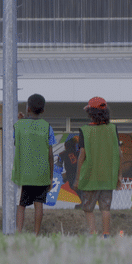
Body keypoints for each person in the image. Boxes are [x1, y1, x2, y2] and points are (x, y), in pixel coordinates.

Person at [73, 97, 122, 238]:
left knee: (88, 208)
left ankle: (93, 234)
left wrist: (77, 179)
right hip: (107, 177)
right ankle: (106, 235)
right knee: (105, 208)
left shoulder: (85, 130)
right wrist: (119, 176)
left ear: (90, 113)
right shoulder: (113, 129)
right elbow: (120, 154)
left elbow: (82, 155)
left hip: (90, 178)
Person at [12, 93, 56, 235]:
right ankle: (36, 234)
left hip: (23, 174)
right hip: (41, 174)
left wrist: (22, 121)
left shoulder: (18, 125)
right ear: (43, 110)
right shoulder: (47, 127)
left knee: (21, 205)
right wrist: (50, 177)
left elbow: (15, 142)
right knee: (39, 205)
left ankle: (19, 231)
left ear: (27, 108)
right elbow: (50, 154)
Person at [57, 135, 83, 209]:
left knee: (74, 186)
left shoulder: (63, 153)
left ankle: (84, 201)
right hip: (76, 173)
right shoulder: (77, 153)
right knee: (76, 187)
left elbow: (59, 164)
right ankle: (83, 201)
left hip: (71, 173)